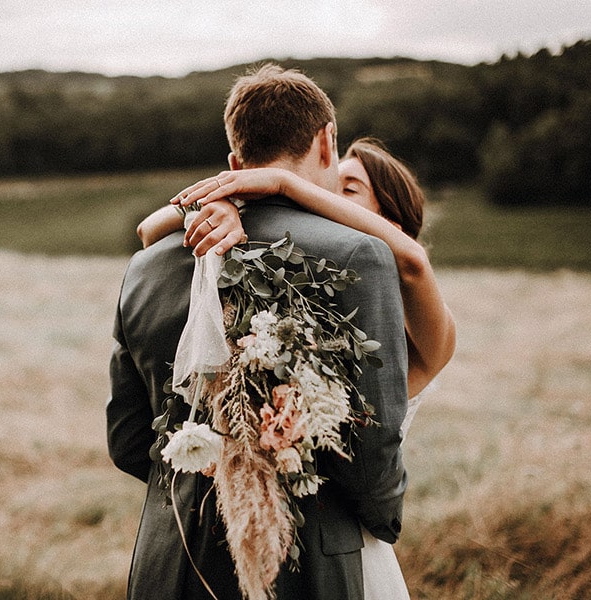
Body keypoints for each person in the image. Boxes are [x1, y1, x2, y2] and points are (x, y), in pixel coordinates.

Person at [108, 64, 409, 600]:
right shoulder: (362, 256)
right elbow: (373, 451)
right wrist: (379, 525)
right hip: (305, 568)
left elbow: (130, 441)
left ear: (234, 163)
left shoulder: (145, 267)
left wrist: (205, 494)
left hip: (171, 562)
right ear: (326, 142)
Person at [138, 138, 455, 598]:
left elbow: (412, 262)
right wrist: (229, 203)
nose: (320, 192)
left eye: (347, 189)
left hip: (347, 549)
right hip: (249, 530)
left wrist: (283, 183)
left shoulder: (431, 337)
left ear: (389, 223)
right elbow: (150, 229)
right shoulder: (310, 302)